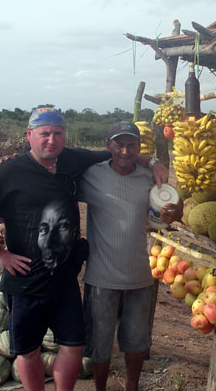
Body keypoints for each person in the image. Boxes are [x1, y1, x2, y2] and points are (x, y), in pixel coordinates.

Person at [0, 108, 166, 391]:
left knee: (73, 344)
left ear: (64, 136)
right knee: (28, 350)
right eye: (44, 133)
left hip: (65, 277)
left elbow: (122, 154)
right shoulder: (10, 170)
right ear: (29, 135)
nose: (51, 139)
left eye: (57, 133)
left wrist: (155, 162)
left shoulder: (72, 159)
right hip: (26, 279)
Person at [80, 121, 182, 391]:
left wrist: (174, 213)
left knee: (136, 344)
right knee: (100, 345)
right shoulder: (91, 174)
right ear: (108, 146)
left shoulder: (149, 177)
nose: (125, 151)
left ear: (139, 148)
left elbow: (172, 208)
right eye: (119, 144)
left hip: (139, 277)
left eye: (131, 145)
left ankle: (131, 387)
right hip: (101, 278)